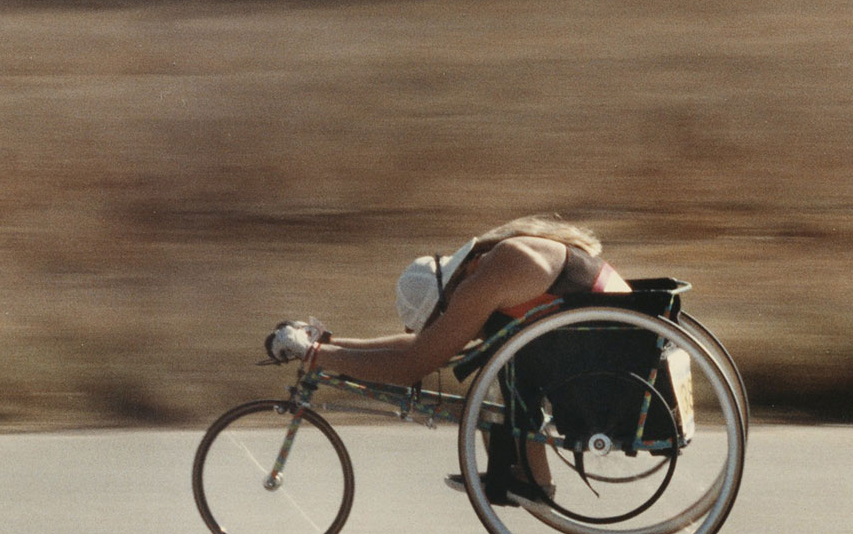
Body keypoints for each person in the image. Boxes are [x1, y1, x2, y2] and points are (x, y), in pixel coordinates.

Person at [264, 215, 633, 504]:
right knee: (495, 371)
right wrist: (332, 343)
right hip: (608, 343)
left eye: (437, 319)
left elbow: (412, 365)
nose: (441, 325)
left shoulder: (483, 282)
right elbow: (420, 347)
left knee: (491, 377)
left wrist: (315, 354)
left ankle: (533, 480)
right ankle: (529, 476)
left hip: (603, 358)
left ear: (443, 299)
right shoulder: (489, 265)